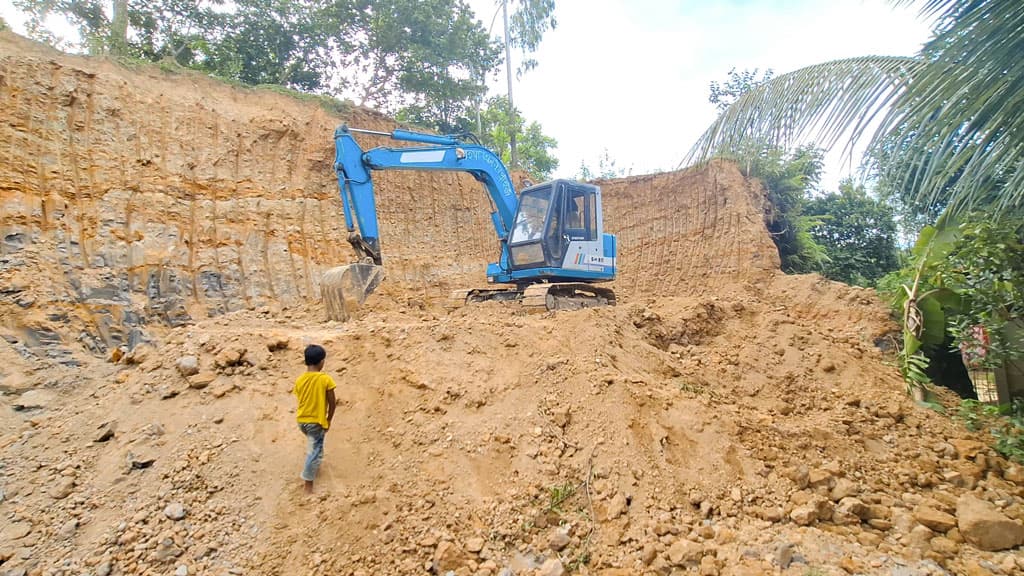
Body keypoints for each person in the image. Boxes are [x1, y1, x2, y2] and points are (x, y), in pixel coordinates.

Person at [292, 344, 337, 493]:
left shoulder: (299, 380)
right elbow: (332, 402)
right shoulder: (325, 380)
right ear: (321, 362)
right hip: (315, 422)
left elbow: (301, 398)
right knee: (315, 451)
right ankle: (308, 484)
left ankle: (314, 467)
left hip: (302, 421)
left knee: (314, 445)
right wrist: (328, 420)